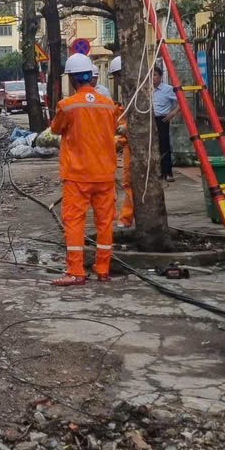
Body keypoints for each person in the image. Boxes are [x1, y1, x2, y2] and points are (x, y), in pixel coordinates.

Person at [49, 52, 117, 286]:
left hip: (77, 175)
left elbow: (56, 130)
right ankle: (103, 269)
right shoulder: (108, 105)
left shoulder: (67, 106)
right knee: (105, 223)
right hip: (105, 174)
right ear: (91, 77)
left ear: (72, 79)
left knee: (74, 222)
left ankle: (76, 271)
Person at [109, 55, 134, 229]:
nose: (117, 81)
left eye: (117, 76)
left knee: (130, 182)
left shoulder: (133, 91)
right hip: (127, 143)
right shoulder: (127, 92)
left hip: (134, 144)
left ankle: (126, 218)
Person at [152, 65, 179, 181]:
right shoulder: (146, 89)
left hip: (162, 119)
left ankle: (168, 172)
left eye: (155, 75)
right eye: (151, 75)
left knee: (164, 145)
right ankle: (157, 172)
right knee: (152, 146)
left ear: (160, 76)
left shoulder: (167, 89)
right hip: (150, 120)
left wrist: (173, 112)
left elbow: (182, 100)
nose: (152, 78)